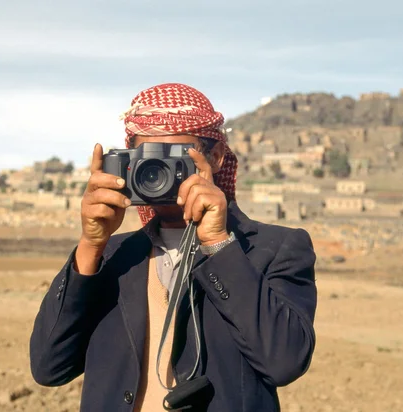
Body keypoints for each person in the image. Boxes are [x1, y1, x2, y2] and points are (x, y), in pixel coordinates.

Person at [30, 83, 317, 412]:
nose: (160, 173)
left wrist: (219, 245)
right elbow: (48, 367)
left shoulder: (273, 248)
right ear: (128, 163)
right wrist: (91, 245)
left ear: (217, 157)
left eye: (174, 159)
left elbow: (285, 362)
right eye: (149, 160)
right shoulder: (112, 256)